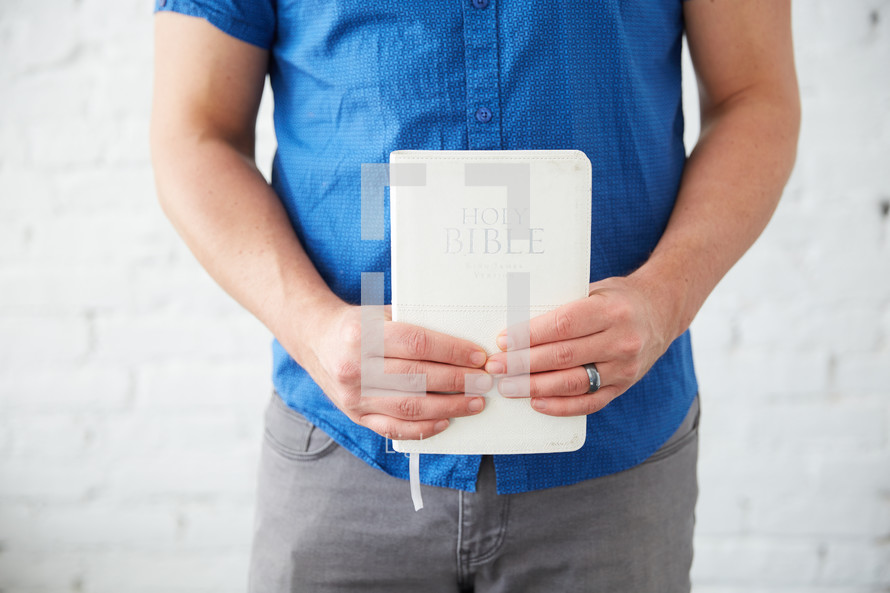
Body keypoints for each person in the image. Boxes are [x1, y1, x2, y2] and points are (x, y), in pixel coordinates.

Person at [150, 1, 799, 591]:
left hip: (616, 461)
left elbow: (755, 97)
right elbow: (195, 131)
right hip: (342, 455)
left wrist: (666, 298)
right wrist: (314, 328)